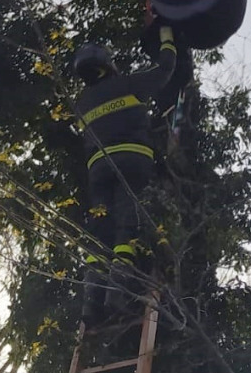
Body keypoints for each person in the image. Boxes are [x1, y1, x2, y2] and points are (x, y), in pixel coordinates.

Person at [73, 25, 178, 327]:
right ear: (107, 64)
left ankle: (91, 303)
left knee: (99, 232)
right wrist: (167, 36)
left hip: (98, 168)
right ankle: (116, 296)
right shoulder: (127, 84)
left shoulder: (81, 103)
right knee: (125, 227)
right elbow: (165, 70)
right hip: (132, 161)